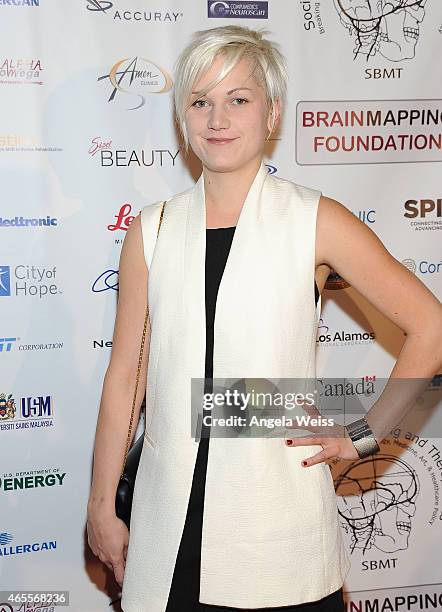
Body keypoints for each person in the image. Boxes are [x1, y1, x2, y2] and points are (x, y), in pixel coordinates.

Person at [87, 25, 442, 612]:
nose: (217, 117)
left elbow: (431, 326)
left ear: (272, 114)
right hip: (165, 524)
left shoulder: (316, 220)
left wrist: (363, 433)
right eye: (200, 101)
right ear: (182, 119)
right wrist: (103, 503)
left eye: (239, 99)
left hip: (278, 528)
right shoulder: (151, 230)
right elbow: (126, 375)